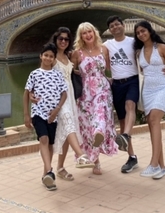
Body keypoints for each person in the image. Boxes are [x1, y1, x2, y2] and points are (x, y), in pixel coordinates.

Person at [133, 20, 165, 180]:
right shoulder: (139, 53)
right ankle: (162, 167)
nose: (141, 34)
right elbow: (141, 73)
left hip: (163, 88)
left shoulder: (162, 48)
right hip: (147, 91)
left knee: (154, 119)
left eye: (143, 31)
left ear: (149, 30)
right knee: (153, 125)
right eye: (138, 33)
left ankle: (153, 164)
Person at [71, 22, 117, 175]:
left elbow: (111, 69)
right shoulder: (78, 53)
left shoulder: (104, 49)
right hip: (85, 93)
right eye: (84, 33)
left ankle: (99, 132)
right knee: (87, 126)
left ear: (94, 32)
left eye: (89, 31)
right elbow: (69, 72)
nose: (88, 35)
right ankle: (95, 161)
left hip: (102, 89)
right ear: (81, 36)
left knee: (101, 112)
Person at [49, 27, 95, 180]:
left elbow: (72, 73)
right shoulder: (51, 57)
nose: (63, 41)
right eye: (60, 38)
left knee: (68, 132)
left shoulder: (69, 57)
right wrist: (34, 94)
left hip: (70, 97)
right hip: (57, 98)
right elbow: (41, 75)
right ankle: (81, 155)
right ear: (55, 39)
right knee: (68, 124)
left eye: (66, 39)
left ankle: (60, 168)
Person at [23, 43, 69, 191]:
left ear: (54, 59)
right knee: (43, 139)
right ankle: (50, 171)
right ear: (41, 56)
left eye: (51, 56)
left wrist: (57, 110)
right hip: (38, 113)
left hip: (52, 115)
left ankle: (46, 176)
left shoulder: (57, 74)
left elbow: (64, 94)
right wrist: (26, 115)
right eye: (46, 55)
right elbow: (26, 94)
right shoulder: (34, 74)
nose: (48, 58)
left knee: (49, 145)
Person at [103, 15, 140, 173]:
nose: (115, 27)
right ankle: (132, 157)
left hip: (132, 80)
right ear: (110, 30)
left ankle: (125, 135)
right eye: (112, 26)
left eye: (118, 24)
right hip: (117, 84)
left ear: (123, 25)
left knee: (130, 105)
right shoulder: (107, 45)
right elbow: (97, 61)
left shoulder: (132, 42)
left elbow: (148, 54)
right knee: (123, 120)